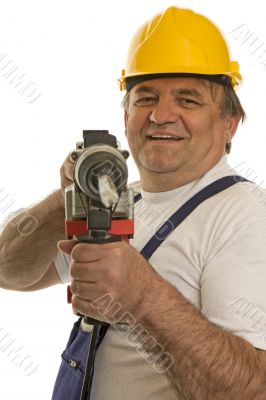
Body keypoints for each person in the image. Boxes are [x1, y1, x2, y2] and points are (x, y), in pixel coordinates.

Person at [1, 6, 266, 399]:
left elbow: (251, 390)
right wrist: (67, 198)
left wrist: (142, 296)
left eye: (188, 100)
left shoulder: (245, 217)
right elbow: (10, 272)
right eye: (145, 98)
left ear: (230, 122)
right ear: (125, 116)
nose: (160, 115)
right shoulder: (120, 200)